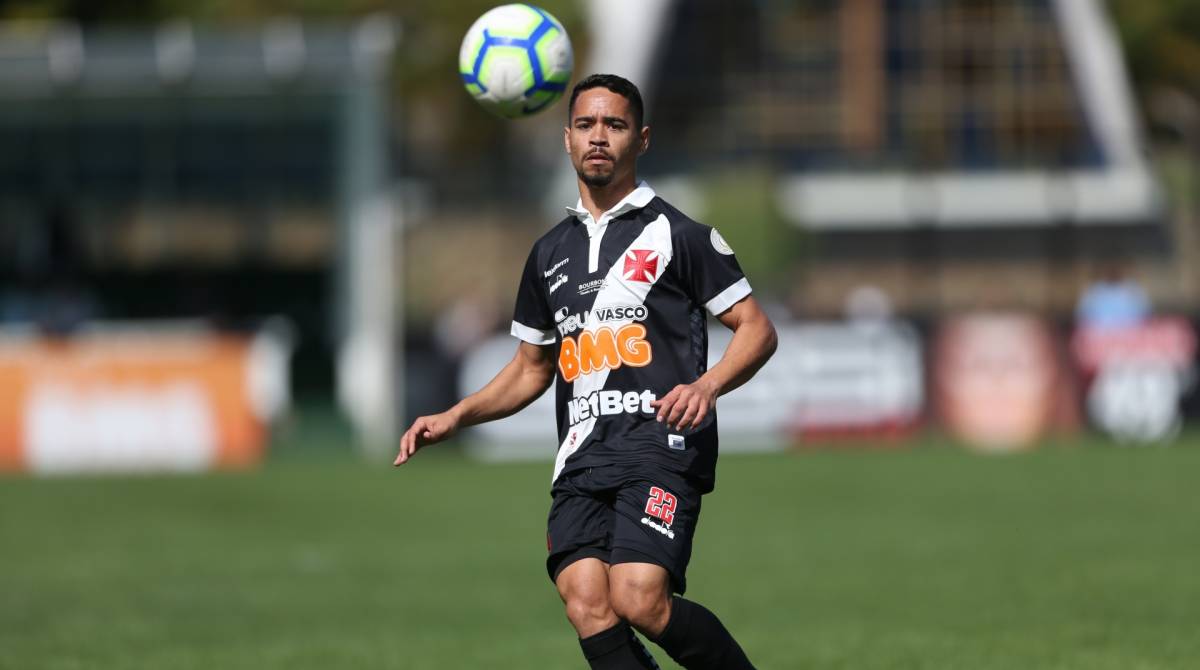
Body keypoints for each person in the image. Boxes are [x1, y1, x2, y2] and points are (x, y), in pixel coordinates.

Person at [395, 74, 777, 669]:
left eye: (615, 125)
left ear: (641, 139)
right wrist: (457, 415)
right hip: (581, 455)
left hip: (660, 444)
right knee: (585, 602)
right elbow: (531, 368)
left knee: (639, 597)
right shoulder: (548, 253)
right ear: (567, 139)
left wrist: (707, 386)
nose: (599, 137)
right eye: (586, 125)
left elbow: (757, 328)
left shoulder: (677, 234)